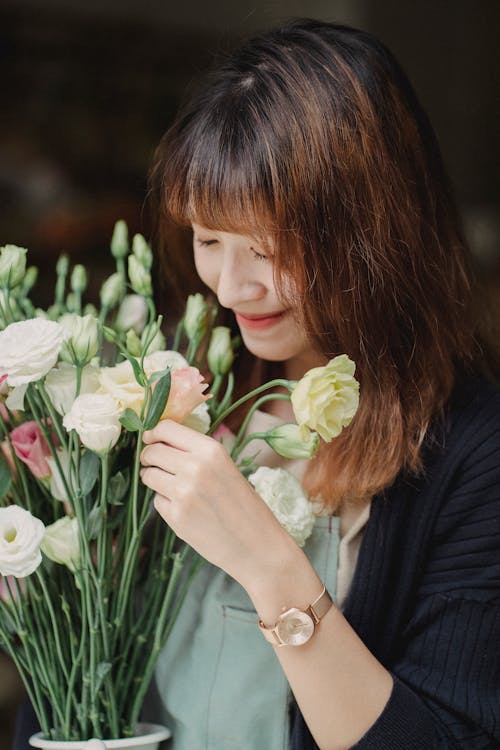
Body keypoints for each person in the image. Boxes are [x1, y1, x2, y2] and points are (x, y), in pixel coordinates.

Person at [139, 18, 500, 750]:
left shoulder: (473, 453)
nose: (233, 288)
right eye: (209, 239)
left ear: (375, 236)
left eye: (269, 251)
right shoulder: (172, 379)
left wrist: (268, 562)